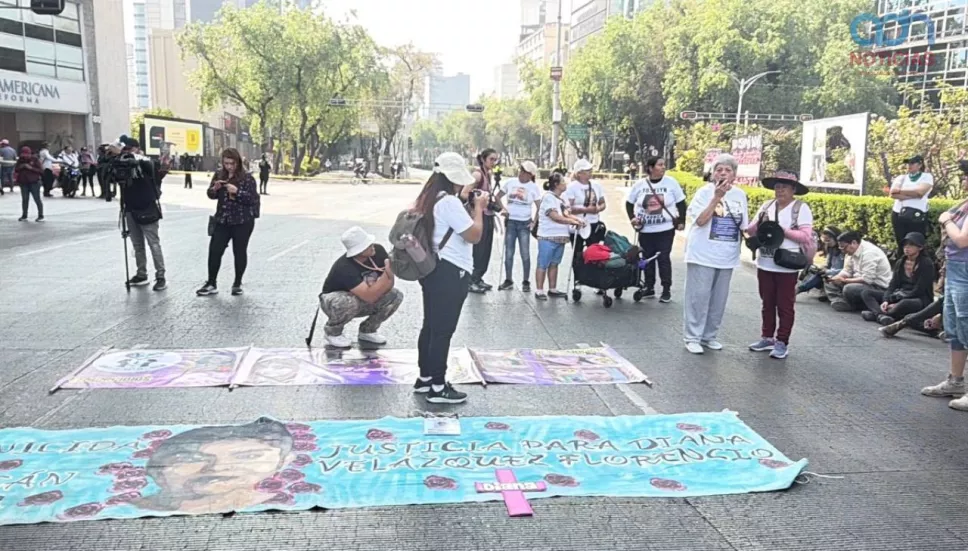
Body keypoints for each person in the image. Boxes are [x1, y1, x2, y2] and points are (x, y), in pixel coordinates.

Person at [412, 151, 487, 404]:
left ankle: (425, 379)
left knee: (431, 325)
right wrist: (479, 208)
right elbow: (474, 235)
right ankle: (438, 387)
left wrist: (466, 203)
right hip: (451, 271)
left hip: (433, 268)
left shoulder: (429, 198)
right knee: (443, 330)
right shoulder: (449, 203)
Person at [134, 417, 296, 513]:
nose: (218, 467)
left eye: (249, 456)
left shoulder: (281, 501)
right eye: (191, 459)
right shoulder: (136, 506)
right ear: (158, 470)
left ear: (283, 462)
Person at [682, 153, 749, 354]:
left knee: (718, 300)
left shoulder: (740, 195)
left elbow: (743, 225)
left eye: (728, 170)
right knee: (698, 297)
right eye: (719, 169)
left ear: (734, 175)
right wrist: (716, 198)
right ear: (712, 174)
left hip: (727, 255)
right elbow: (700, 221)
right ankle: (692, 337)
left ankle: (709, 336)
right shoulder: (704, 193)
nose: (723, 173)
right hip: (702, 253)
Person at [745, 170, 814, 360]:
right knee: (767, 303)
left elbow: (805, 236)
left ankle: (782, 341)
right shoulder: (766, 206)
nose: (780, 190)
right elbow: (750, 230)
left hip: (786, 263)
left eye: (784, 187)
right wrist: (759, 223)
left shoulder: (800, 208)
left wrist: (780, 230)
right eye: (777, 187)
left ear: (793, 190)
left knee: (785, 305)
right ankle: (767, 337)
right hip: (765, 262)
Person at [922, 173, 968, 411]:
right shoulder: (964, 205)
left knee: (966, 324)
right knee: (954, 328)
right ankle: (956, 381)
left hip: (966, 271)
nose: (963, 180)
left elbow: (962, 240)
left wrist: (946, 220)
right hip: (955, 270)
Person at [319, 226, 404, 348]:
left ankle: (368, 330)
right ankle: (333, 332)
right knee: (348, 301)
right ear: (358, 251)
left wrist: (389, 274)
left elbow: (387, 286)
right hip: (335, 302)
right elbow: (369, 297)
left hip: (362, 297)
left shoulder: (377, 251)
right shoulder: (345, 267)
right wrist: (388, 272)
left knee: (395, 296)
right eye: (367, 245)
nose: (372, 246)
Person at [197, 148, 260, 297]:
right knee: (215, 250)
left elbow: (252, 199)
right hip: (222, 219)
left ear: (237, 162)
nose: (229, 166)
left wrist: (237, 192)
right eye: (226, 163)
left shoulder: (247, 178)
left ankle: (237, 283)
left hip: (242, 220)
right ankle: (211, 282)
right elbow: (210, 194)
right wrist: (214, 189)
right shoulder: (219, 175)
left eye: (232, 163)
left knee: (239, 251)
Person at [626, 156, 686, 303]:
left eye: (664, 165)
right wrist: (633, 219)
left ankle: (666, 289)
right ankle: (649, 286)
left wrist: (681, 221)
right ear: (651, 168)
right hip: (645, 230)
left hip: (665, 229)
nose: (663, 167)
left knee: (663, 258)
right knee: (647, 258)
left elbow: (681, 203)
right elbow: (629, 203)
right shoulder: (639, 185)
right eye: (660, 165)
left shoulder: (671, 183)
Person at [115, 138, 167, 291]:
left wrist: (136, 159)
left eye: (130, 149)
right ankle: (141, 273)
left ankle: (161, 276)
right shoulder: (121, 163)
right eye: (125, 150)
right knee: (137, 245)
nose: (127, 153)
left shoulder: (145, 163)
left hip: (147, 207)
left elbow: (154, 168)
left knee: (153, 244)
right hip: (130, 208)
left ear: (137, 149)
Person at [859, 232, 935, 325]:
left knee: (904, 304)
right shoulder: (900, 262)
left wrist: (897, 302)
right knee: (866, 293)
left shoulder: (926, 264)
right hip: (898, 294)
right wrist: (886, 300)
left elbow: (919, 289)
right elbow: (893, 285)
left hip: (918, 298)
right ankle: (881, 315)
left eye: (911, 245)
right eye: (905, 245)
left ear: (920, 247)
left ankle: (877, 314)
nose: (906, 248)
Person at [535, 172, 586, 300]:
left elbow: (566, 214)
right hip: (548, 236)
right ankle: (539, 290)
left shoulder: (561, 199)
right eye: (563, 181)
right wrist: (572, 222)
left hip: (560, 237)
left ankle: (552, 288)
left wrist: (578, 220)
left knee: (554, 263)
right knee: (543, 264)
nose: (565, 184)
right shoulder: (548, 197)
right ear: (556, 184)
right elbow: (555, 216)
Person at [497, 161, 541, 292]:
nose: (521, 174)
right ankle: (508, 279)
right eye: (520, 170)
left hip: (524, 224)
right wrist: (503, 209)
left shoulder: (533, 187)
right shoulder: (510, 183)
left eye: (525, 172)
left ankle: (526, 281)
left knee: (525, 253)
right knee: (509, 253)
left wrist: (534, 222)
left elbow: (539, 206)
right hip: (511, 222)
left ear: (530, 174)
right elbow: (497, 196)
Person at [824, 231, 892, 312]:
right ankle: (841, 301)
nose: (843, 251)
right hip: (859, 281)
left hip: (876, 286)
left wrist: (844, 280)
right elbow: (847, 270)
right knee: (829, 281)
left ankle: (853, 305)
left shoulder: (869, 253)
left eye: (844, 248)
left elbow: (867, 279)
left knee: (849, 288)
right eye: (840, 248)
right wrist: (837, 277)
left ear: (854, 243)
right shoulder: (851, 252)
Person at [462, 148, 499, 294]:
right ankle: (472, 280)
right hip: (480, 215)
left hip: (488, 215)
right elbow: (464, 193)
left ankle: (478, 277)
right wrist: (477, 200)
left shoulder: (488, 174)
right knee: (479, 249)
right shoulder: (477, 175)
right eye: (491, 159)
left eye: (496, 160)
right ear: (483, 159)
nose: (494, 163)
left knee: (487, 249)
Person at [566, 159, 607, 276]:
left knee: (595, 252)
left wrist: (597, 209)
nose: (590, 173)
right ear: (579, 173)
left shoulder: (596, 186)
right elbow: (568, 208)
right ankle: (578, 279)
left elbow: (603, 203)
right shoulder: (572, 187)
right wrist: (585, 210)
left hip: (593, 223)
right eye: (587, 171)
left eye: (590, 170)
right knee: (577, 254)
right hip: (577, 224)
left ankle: (596, 279)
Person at [889, 154, 933, 257]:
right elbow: (893, 193)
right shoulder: (901, 177)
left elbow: (920, 192)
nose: (909, 165)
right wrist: (912, 194)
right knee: (901, 242)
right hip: (899, 214)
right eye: (908, 163)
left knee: (916, 242)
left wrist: (901, 192)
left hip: (917, 215)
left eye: (912, 163)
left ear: (920, 164)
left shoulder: (927, 177)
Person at [797, 226, 844, 299]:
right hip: (830, 272)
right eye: (825, 241)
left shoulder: (843, 251)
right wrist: (822, 268)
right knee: (812, 269)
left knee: (820, 275)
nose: (827, 243)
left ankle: (798, 290)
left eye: (828, 240)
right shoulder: (830, 249)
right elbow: (828, 264)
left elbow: (846, 269)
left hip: (839, 274)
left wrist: (828, 271)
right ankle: (823, 289)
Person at [14, 146, 44, 222]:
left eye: (26, 154)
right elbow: (16, 169)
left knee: (37, 199)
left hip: (34, 182)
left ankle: (40, 215)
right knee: (25, 199)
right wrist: (21, 166)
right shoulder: (20, 160)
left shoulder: (35, 159)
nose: (25, 156)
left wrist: (30, 168)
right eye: (23, 154)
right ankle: (24, 215)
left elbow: (41, 171)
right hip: (23, 182)